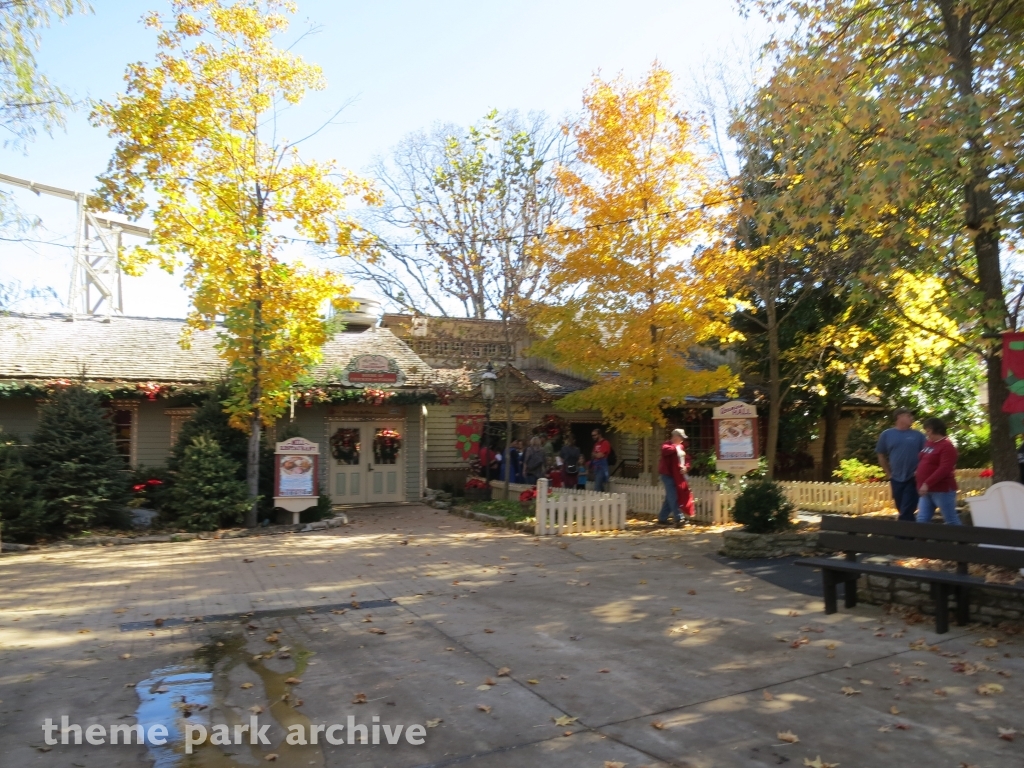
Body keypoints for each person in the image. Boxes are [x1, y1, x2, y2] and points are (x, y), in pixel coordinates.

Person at [876, 408, 926, 522]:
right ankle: (911, 536)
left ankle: (901, 536)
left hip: (913, 478)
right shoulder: (887, 434)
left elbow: (926, 455)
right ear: (899, 417)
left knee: (907, 508)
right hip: (896, 478)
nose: (912, 418)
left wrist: (920, 471)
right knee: (902, 509)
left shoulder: (918, 436)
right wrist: (889, 474)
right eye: (909, 416)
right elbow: (881, 454)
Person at [916, 417, 960, 525]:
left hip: (942, 490)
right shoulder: (929, 443)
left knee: (950, 520)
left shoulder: (947, 446)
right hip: (926, 490)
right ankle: (919, 542)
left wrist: (927, 483)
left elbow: (944, 468)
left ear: (937, 430)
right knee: (922, 519)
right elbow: (924, 459)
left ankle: (963, 541)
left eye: (928, 431)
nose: (927, 434)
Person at [658, 428, 696, 526]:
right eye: (681, 437)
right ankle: (679, 518)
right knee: (673, 496)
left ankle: (662, 518)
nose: (683, 439)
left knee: (670, 497)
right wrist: (676, 447)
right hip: (667, 475)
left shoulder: (681, 447)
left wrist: (686, 468)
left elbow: (687, 460)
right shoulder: (666, 445)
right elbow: (665, 451)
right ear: (675, 436)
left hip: (677, 475)